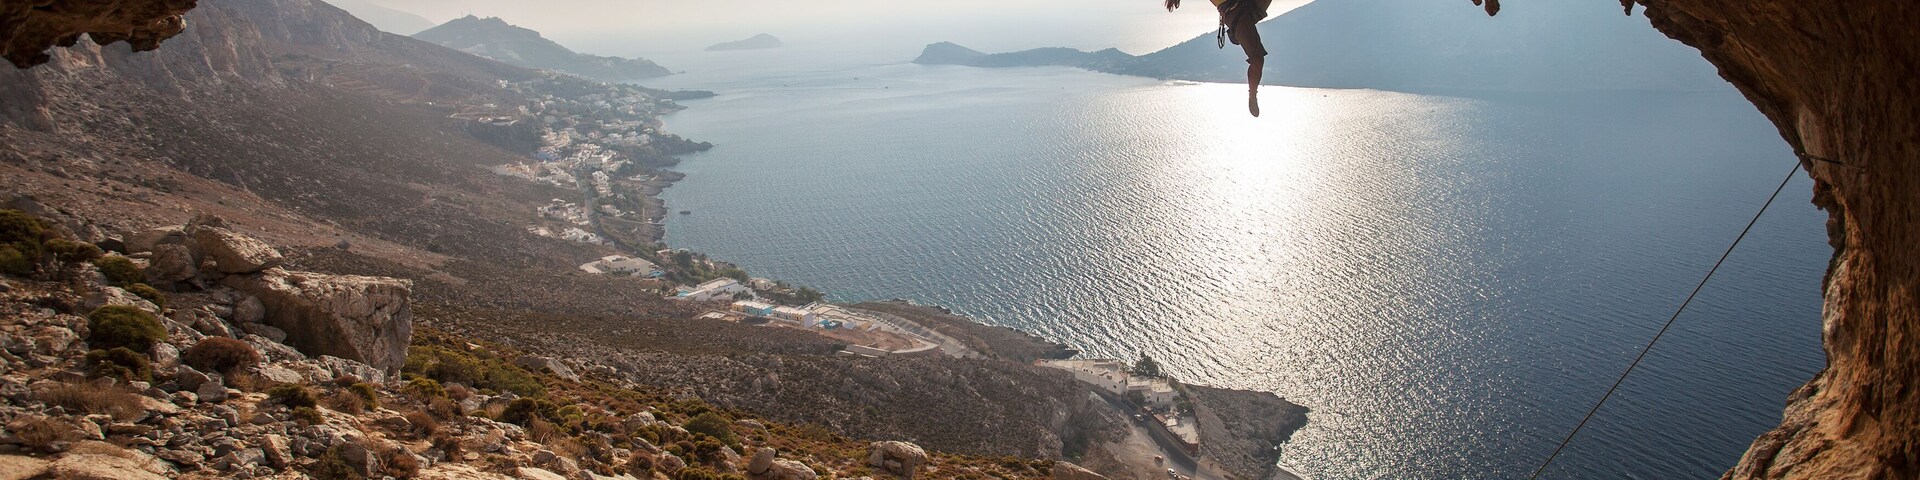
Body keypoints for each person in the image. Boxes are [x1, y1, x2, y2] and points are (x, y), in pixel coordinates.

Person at [1165, 0, 1274, 116]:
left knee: (1257, 59)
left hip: (1246, 6)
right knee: (1257, 60)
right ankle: (1252, 95)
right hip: (1236, 13)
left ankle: (1237, 33)